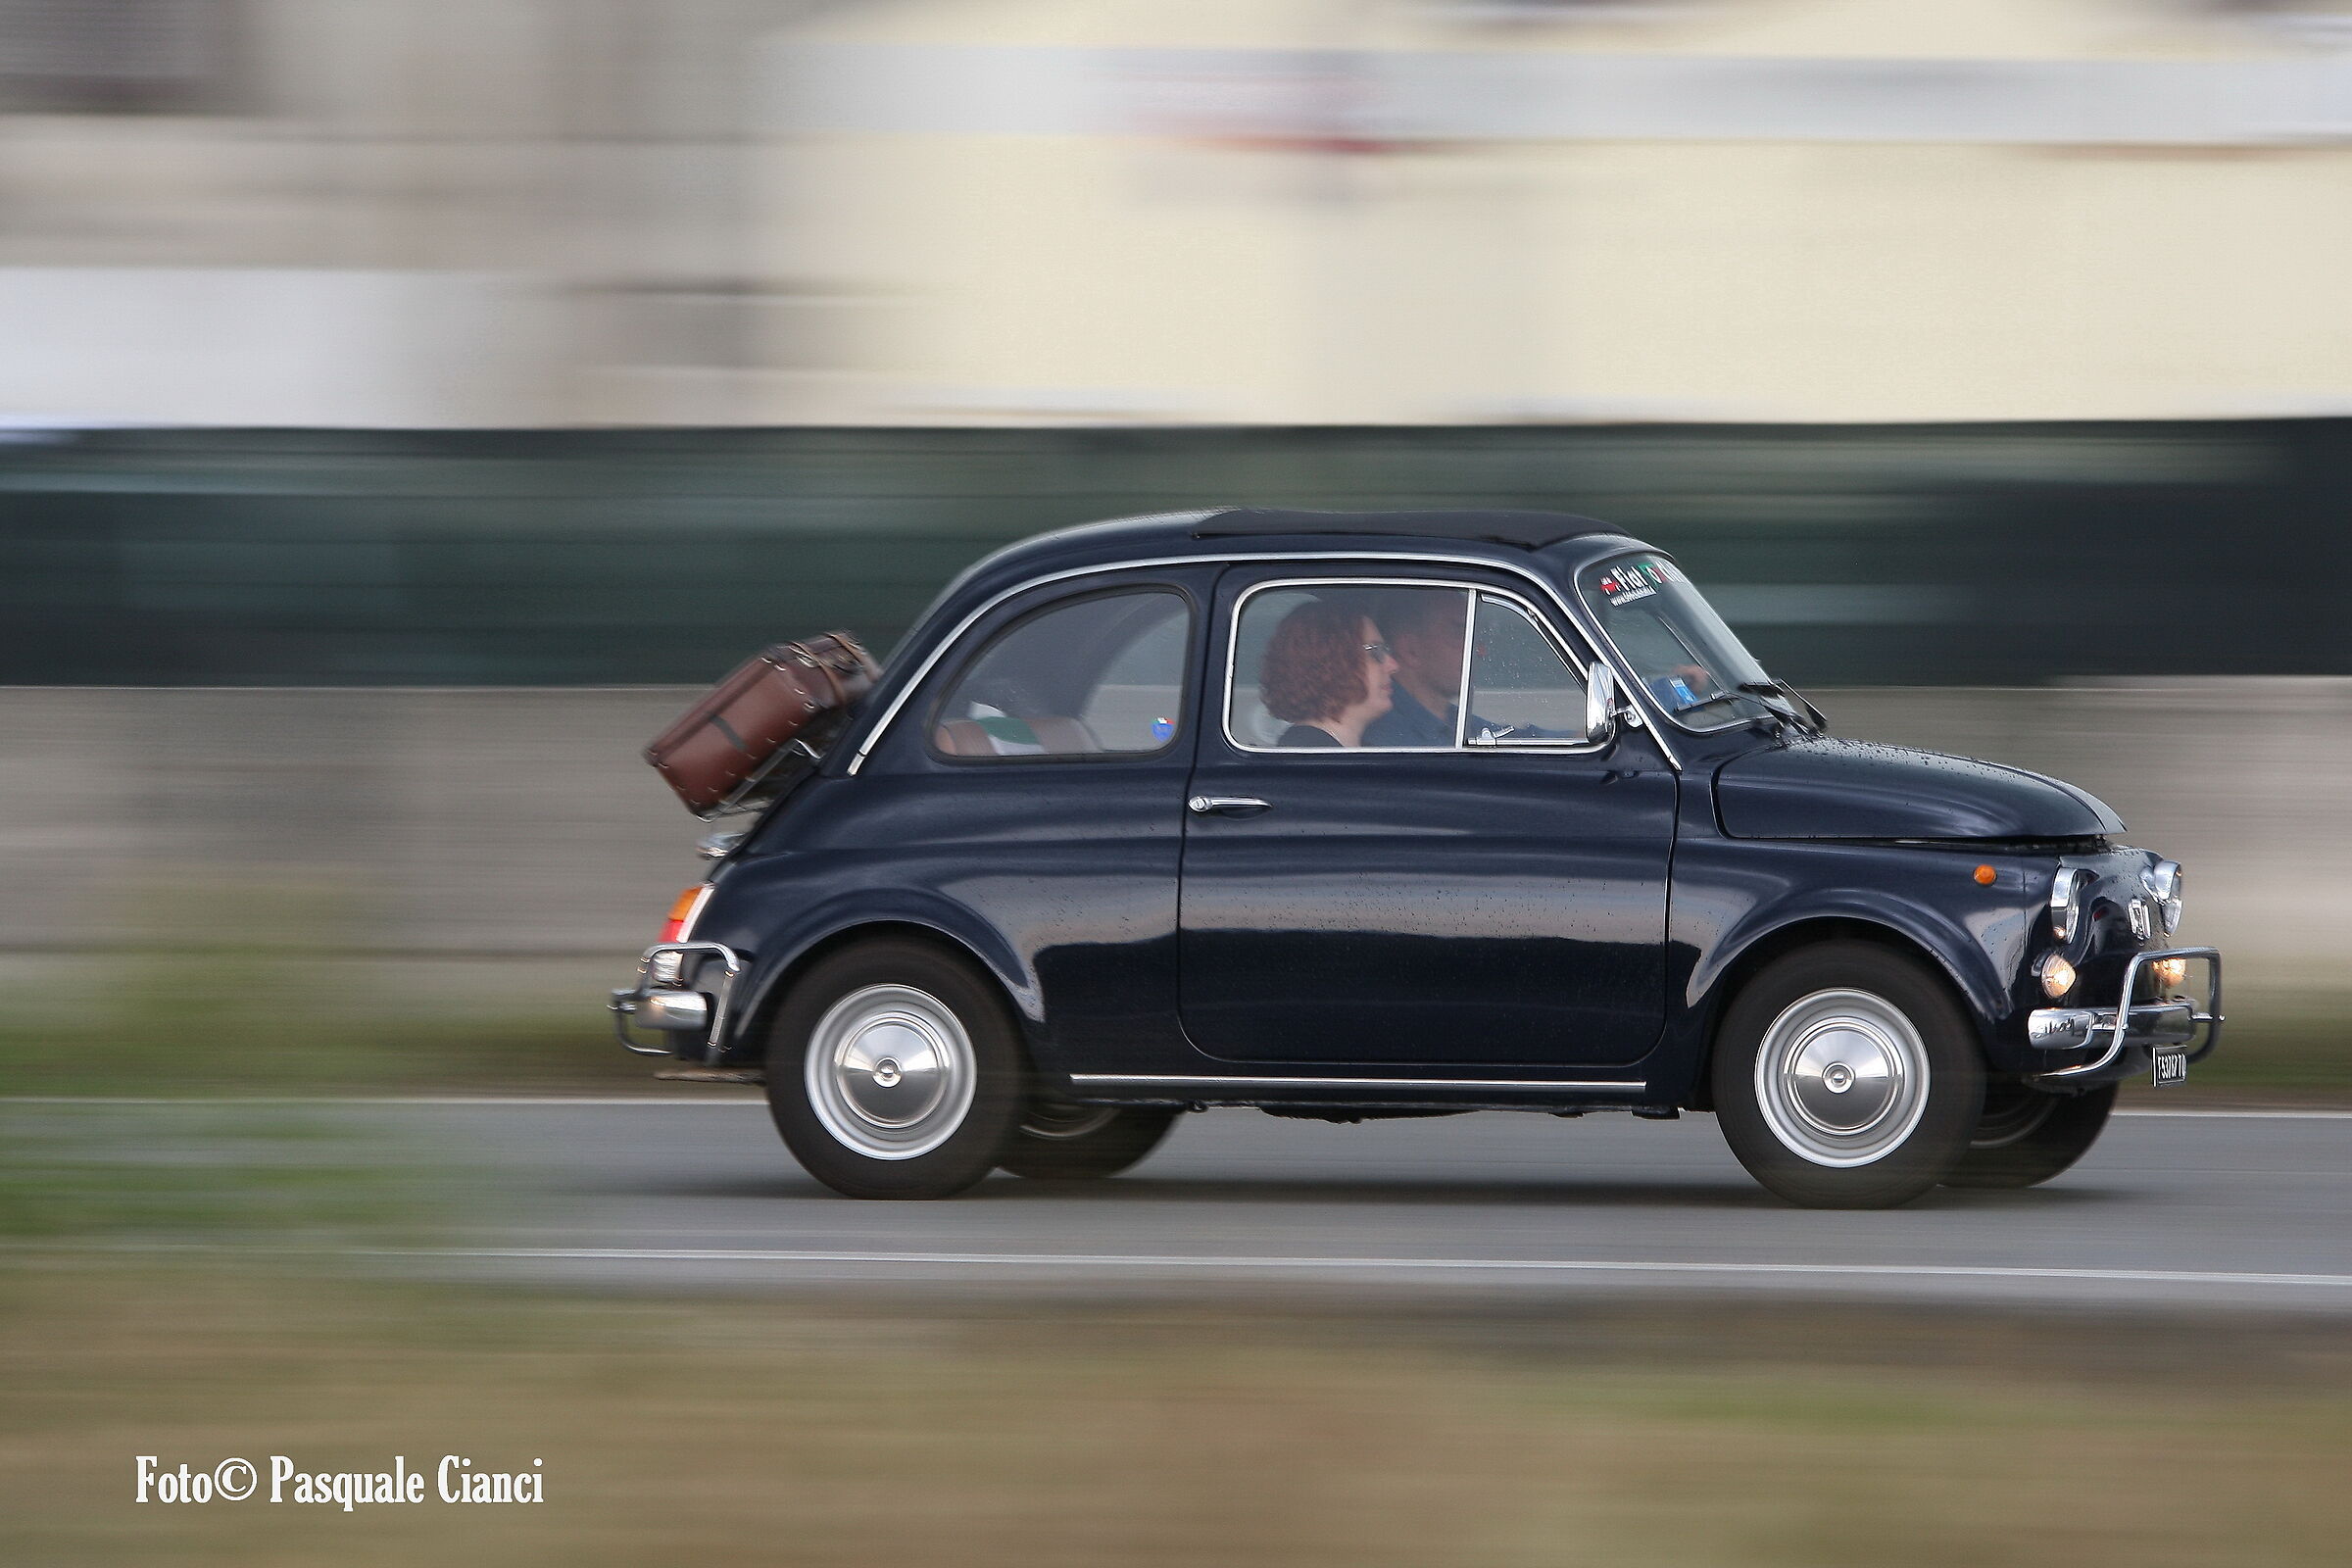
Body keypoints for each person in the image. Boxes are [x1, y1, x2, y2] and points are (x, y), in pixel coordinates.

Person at [1259, 600, 1396, 747]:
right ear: (1330, 661)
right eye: (1375, 651)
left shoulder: (1359, 755)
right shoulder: (1305, 762)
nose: (1393, 665)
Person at [1360, 590, 1469, 747]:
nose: (1479, 650)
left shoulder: (1455, 719)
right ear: (1410, 650)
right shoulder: (1386, 742)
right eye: (1457, 633)